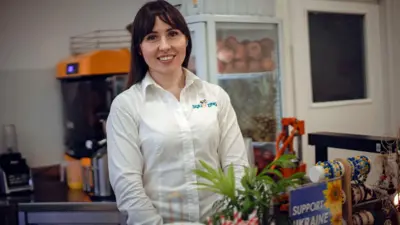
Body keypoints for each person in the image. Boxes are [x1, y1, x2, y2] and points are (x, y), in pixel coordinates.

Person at [106, 1, 249, 224]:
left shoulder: (215, 96)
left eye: (172, 34)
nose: (164, 46)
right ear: (139, 49)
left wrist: (236, 215)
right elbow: (127, 185)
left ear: (186, 40)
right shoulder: (126, 105)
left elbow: (236, 165)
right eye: (152, 37)